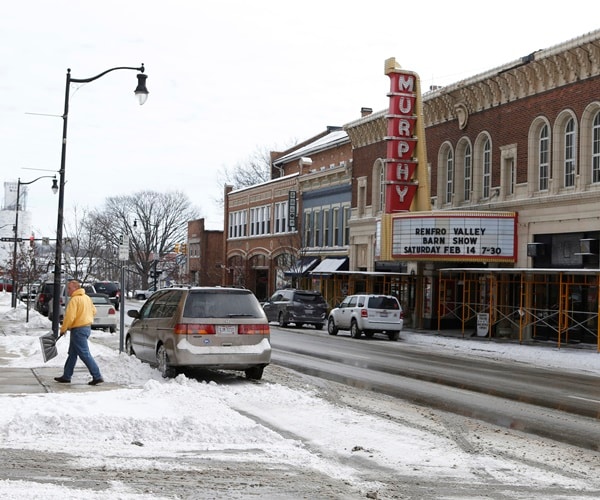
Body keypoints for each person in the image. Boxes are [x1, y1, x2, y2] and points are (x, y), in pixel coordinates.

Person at [54, 280, 104, 386]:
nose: (68, 290)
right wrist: (85, 316)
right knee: (72, 354)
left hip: (78, 330)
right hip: (86, 328)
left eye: (69, 288)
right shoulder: (86, 298)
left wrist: (63, 329)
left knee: (84, 354)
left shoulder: (74, 300)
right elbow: (94, 311)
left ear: (76, 288)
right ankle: (66, 376)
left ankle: (97, 376)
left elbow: (70, 317)